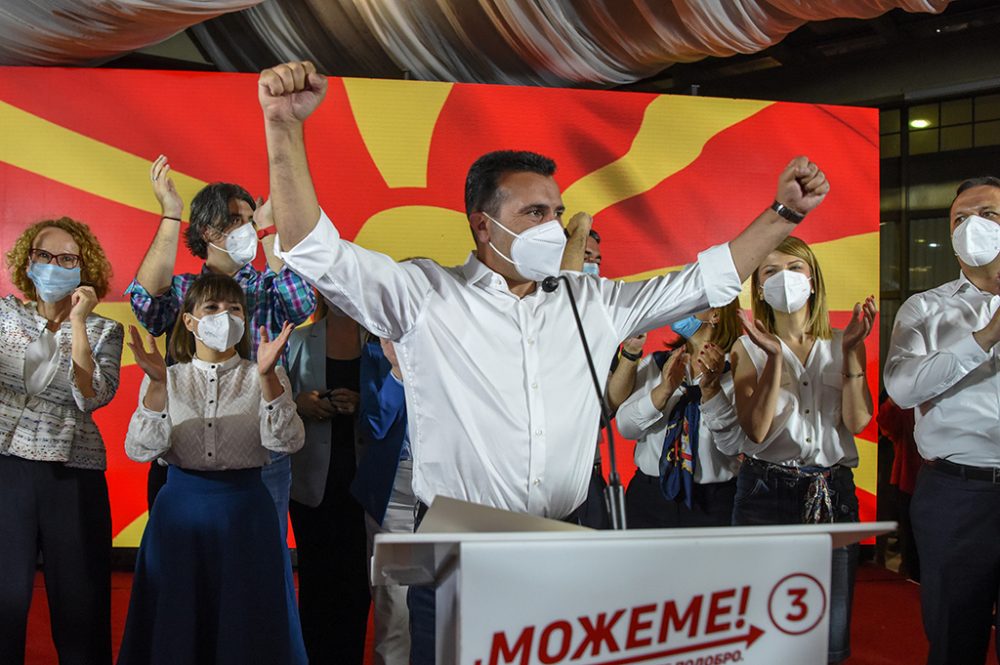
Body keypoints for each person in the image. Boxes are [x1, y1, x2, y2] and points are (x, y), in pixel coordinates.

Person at [258, 59, 829, 664]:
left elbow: (704, 279)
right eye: (535, 214)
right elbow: (311, 248)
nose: (555, 228)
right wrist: (283, 128)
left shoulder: (592, 303)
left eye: (557, 212)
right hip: (458, 548)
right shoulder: (424, 295)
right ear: (484, 225)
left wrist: (784, 214)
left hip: (564, 540)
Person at [118, 273, 306, 665]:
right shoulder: (168, 376)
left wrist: (269, 377)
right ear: (189, 321)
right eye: (213, 308)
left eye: (234, 308)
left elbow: (287, 442)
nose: (225, 316)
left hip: (246, 517)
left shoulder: (265, 373)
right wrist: (155, 386)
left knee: (247, 624)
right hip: (179, 516)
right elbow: (140, 449)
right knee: (177, 622)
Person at [126, 155, 316, 535]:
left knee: (260, 560)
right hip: (185, 448)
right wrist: (170, 214)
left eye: (250, 220)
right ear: (208, 231)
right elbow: (146, 302)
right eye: (237, 220)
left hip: (263, 452)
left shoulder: (265, 287)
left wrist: (266, 233)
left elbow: (301, 302)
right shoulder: (183, 290)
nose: (246, 228)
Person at [731, 236, 876, 664]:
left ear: (812, 281)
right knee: (761, 630)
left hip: (832, 492)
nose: (784, 280)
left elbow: (859, 421)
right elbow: (755, 430)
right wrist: (774, 357)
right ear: (758, 288)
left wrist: (849, 352)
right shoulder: (747, 349)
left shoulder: (842, 340)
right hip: (764, 493)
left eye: (794, 269)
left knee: (829, 634)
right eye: (770, 272)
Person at [884, 176, 1000, 665]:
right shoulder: (925, 308)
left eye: (988, 215)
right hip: (957, 495)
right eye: (960, 218)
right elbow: (903, 387)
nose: (972, 225)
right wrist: (986, 335)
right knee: (955, 639)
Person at [0, 217, 123, 665]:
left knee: (80, 607)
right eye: (44, 255)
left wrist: (77, 323)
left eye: (67, 258)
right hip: (6, 469)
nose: (54, 265)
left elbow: (90, 396)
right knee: (5, 601)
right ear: (27, 263)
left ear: (83, 267)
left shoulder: (104, 330)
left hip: (73, 474)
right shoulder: (4, 314)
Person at [286, 297, 369, 665]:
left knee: (357, 584)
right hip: (312, 480)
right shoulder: (298, 339)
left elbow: (406, 398)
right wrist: (298, 404)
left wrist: (363, 403)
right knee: (317, 581)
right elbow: (273, 396)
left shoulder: (381, 337)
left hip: (367, 481)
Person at [617, 301, 745, 528]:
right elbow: (626, 428)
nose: (679, 308)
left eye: (692, 302)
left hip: (714, 503)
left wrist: (712, 391)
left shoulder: (739, 371)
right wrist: (663, 390)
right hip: (649, 498)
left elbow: (734, 446)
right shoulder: (656, 364)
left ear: (715, 315)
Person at [352, 335, 416, 665]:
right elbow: (373, 426)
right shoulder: (379, 347)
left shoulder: (462, 338)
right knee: (394, 609)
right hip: (397, 495)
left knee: (455, 606)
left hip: (455, 491)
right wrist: (396, 371)